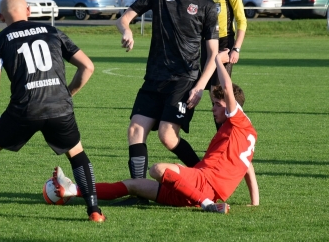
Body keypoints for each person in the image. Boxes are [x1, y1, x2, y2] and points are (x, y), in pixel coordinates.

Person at [0, 0, 105, 223]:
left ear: (1, 17)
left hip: (25, 109)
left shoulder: (0, 40)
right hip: (59, 107)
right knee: (77, 153)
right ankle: (94, 211)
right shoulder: (53, 32)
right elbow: (88, 67)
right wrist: (67, 94)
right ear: (29, 11)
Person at [51, 49, 259, 213]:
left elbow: (227, 88)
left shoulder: (237, 120)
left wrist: (217, 60)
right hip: (196, 190)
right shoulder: (247, 134)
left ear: (231, 106)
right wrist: (254, 202)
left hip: (203, 183)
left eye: (216, 104)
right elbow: (247, 167)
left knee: (157, 170)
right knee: (134, 184)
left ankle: (206, 204)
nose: (213, 108)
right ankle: (73, 190)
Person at [115, 0, 219, 204]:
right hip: (154, 78)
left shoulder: (206, 6)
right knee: (135, 129)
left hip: (184, 80)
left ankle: (206, 179)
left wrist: (201, 87)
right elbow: (124, 18)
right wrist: (127, 30)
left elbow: (213, 53)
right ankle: (139, 193)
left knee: (167, 136)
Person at [200, 0, 248, 130]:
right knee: (214, 97)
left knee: (220, 93)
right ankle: (223, 135)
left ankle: (231, 134)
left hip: (225, 46)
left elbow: (242, 21)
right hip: (207, 47)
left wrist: (236, 49)